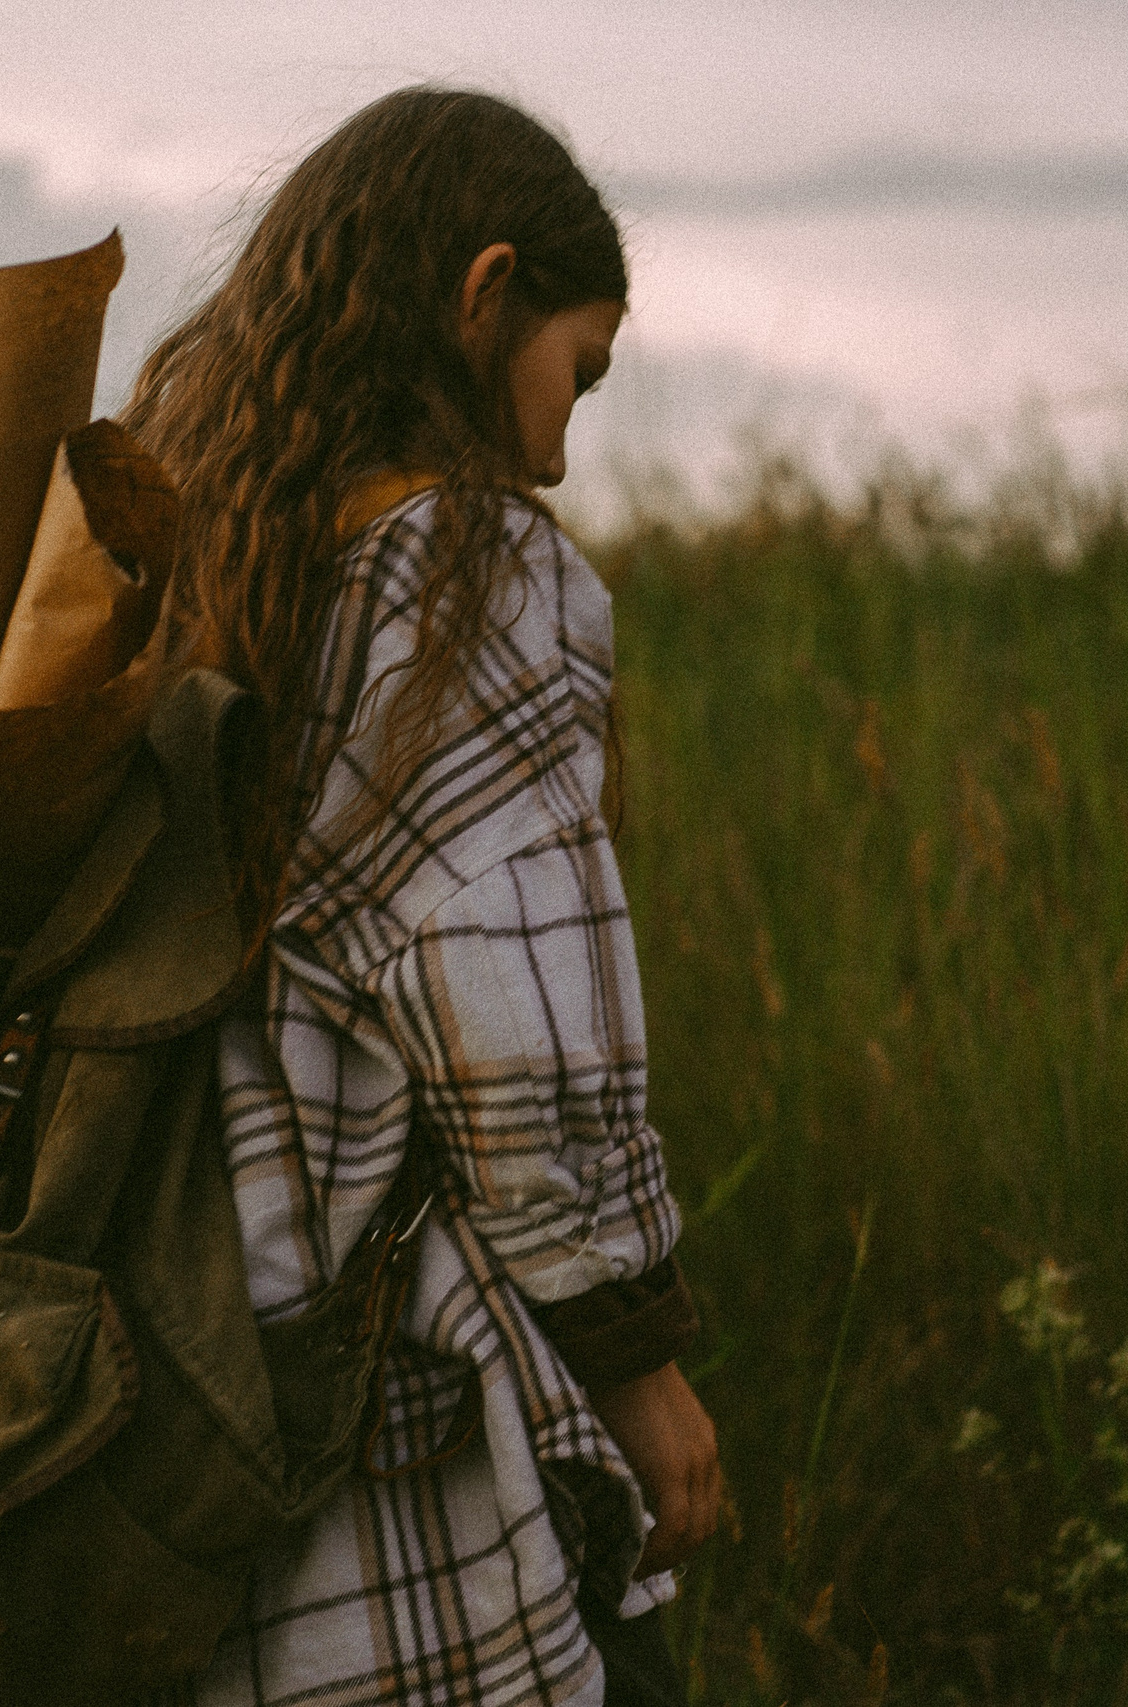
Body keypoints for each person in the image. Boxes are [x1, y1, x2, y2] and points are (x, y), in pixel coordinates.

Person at [119, 88, 720, 1706]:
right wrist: (645, 1367)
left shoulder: (191, 554)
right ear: (485, 289)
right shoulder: (466, 576)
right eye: (574, 371)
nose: (561, 450)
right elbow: (514, 1036)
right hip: (389, 1391)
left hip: (177, 1374)